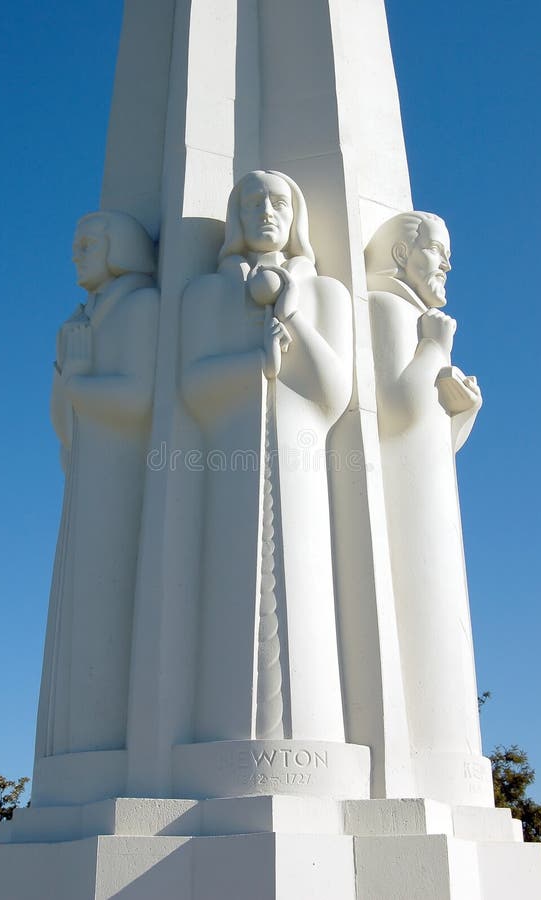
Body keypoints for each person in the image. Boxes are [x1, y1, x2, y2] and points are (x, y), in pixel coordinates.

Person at [180, 171, 353, 743]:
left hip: (303, 461)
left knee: (305, 589)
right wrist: (256, 362)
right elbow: (194, 385)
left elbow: (335, 392)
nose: (265, 211)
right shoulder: (206, 293)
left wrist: (293, 313)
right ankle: (229, 733)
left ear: (296, 215)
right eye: (250, 202)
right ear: (234, 216)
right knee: (229, 593)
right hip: (227, 462)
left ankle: (309, 738)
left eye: (278, 201)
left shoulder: (324, 292)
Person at [364, 212, 494, 807]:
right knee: (418, 616)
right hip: (403, 508)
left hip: (431, 497)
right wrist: (433, 348)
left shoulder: (419, 317)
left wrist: (460, 410)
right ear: (399, 252)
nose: (446, 264)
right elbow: (391, 411)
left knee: (445, 622)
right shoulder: (388, 309)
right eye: (437, 251)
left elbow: (430, 434)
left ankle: (452, 759)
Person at [35, 210, 159, 761]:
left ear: (119, 247)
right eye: (77, 241)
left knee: (107, 593)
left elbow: (136, 399)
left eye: (88, 242)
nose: (75, 253)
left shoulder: (139, 305)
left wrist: (80, 379)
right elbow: (66, 423)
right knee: (81, 600)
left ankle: (102, 742)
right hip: (87, 471)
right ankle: (77, 746)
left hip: (122, 474)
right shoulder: (85, 317)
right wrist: (69, 377)